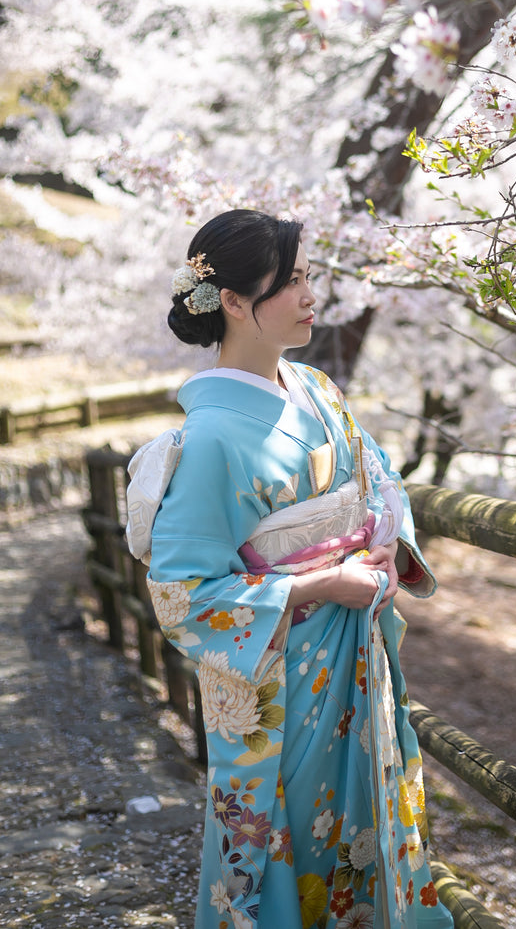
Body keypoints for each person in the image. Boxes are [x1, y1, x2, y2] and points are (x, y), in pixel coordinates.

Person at [125, 209, 455, 929]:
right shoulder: (209, 440)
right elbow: (184, 593)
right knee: (296, 841)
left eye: (310, 277)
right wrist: (324, 582)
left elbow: (379, 478)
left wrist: (382, 545)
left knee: (366, 824)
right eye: (294, 281)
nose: (312, 296)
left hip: (352, 660)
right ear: (237, 303)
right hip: (280, 677)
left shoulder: (317, 390)